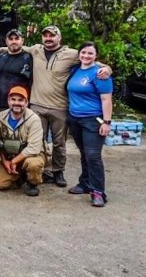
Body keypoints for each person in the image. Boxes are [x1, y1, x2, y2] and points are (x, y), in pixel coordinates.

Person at [0, 25, 111, 187]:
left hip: (59, 106)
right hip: (37, 105)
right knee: (37, 141)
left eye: (52, 36)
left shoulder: (71, 54)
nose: (48, 39)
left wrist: (107, 68)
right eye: (46, 36)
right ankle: (39, 171)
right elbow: (16, 47)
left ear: (59, 38)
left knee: (59, 142)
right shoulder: (36, 50)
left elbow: (89, 60)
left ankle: (58, 171)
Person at [66, 42, 113, 207]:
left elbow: (106, 99)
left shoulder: (100, 74)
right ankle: (85, 183)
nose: (86, 56)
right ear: (79, 54)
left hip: (93, 120)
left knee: (93, 155)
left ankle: (98, 191)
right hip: (74, 118)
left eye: (90, 53)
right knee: (84, 153)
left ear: (96, 56)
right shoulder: (75, 70)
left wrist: (106, 122)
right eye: (83, 52)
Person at [0, 86, 45, 197]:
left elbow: (34, 148)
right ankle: (20, 177)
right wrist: (4, 161)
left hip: (31, 156)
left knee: (33, 164)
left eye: (20, 100)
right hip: (10, 155)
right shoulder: (0, 117)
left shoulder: (34, 119)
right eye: (13, 99)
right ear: (8, 101)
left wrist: (14, 161)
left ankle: (32, 183)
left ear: (26, 102)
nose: (16, 103)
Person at [0, 29, 32, 111]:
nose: (14, 41)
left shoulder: (30, 57)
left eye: (16, 39)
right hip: (1, 103)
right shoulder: (0, 56)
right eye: (11, 39)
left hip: (20, 104)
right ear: (6, 41)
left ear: (22, 41)